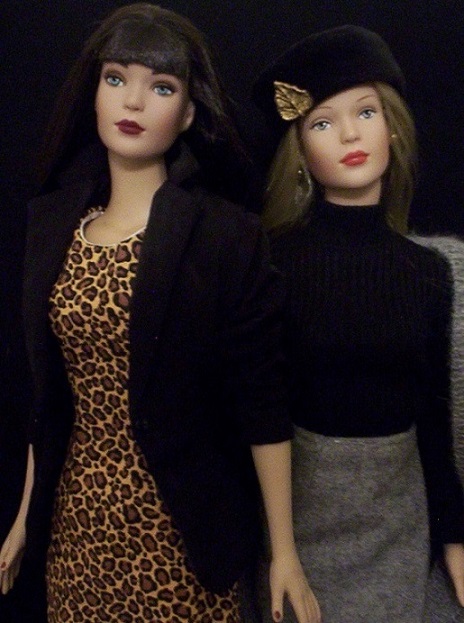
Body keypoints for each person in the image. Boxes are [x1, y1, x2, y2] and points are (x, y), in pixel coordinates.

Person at [0, 4, 321, 622]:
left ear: (189, 114)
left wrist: (284, 552)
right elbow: (51, 399)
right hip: (77, 524)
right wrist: (23, 517)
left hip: (179, 530)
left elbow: (262, 398)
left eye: (162, 87)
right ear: (93, 93)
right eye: (116, 78)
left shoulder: (221, 236)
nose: (134, 102)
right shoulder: (54, 228)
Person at [252, 24, 464, 622]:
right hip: (298, 520)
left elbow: (436, 417)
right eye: (322, 123)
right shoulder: (272, 263)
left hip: (399, 521)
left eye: (365, 113)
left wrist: (454, 533)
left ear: (391, 126)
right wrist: (281, 551)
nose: (350, 135)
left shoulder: (430, 271)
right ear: (300, 152)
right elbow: (260, 406)